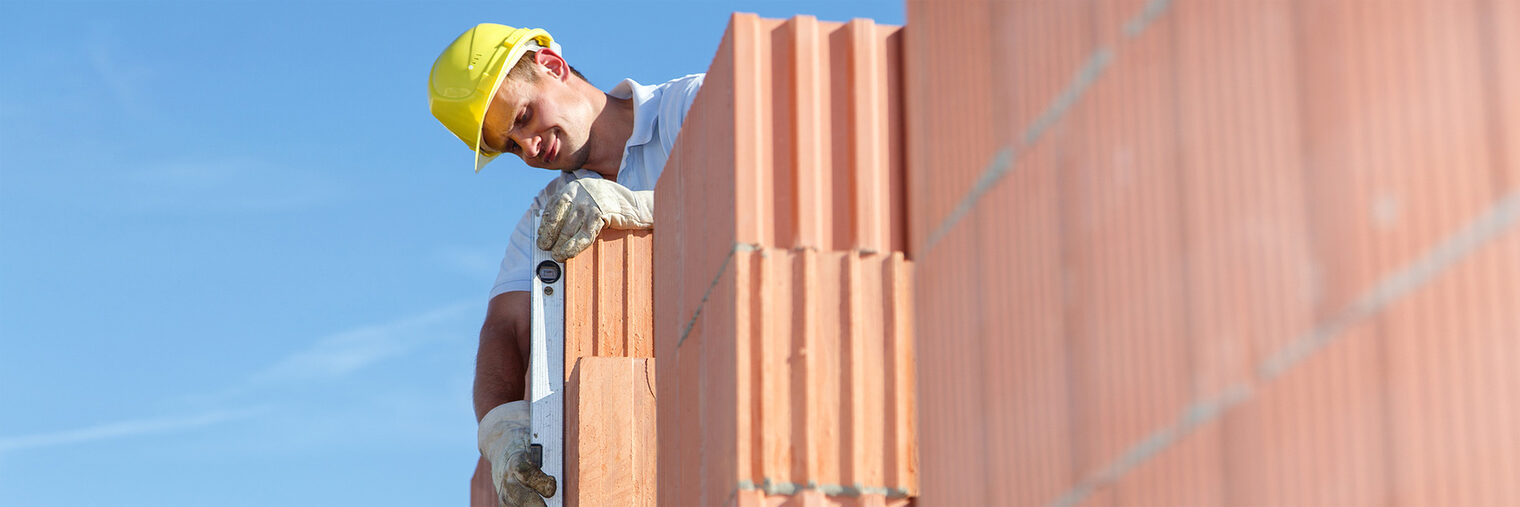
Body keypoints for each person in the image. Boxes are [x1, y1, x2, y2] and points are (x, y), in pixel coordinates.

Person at [427, 23, 703, 506]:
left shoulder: (691, 107)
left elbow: (766, 187)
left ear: (552, 67)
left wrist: (639, 208)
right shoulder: (545, 217)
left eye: (525, 116)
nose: (530, 147)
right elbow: (505, 327)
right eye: (512, 144)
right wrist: (503, 431)